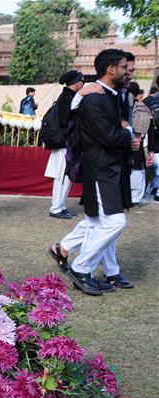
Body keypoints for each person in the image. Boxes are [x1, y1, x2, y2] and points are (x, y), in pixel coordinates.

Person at [54, 49, 137, 296]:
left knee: (98, 221)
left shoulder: (111, 95)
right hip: (100, 167)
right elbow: (108, 135)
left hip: (110, 166)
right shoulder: (94, 98)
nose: (128, 72)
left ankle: (100, 267)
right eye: (125, 68)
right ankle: (81, 268)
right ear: (111, 69)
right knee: (113, 222)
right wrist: (128, 133)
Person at [45, 70, 84, 220]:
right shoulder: (66, 98)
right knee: (61, 177)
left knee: (66, 176)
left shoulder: (70, 96)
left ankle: (61, 206)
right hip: (63, 144)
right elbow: (64, 120)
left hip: (68, 145)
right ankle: (56, 208)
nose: (83, 83)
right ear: (75, 82)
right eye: (81, 81)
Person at [128, 82, 152, 204]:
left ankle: (133, 196)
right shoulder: (144, 109)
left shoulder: (133, 107)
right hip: (139, 143)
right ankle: (135, 196)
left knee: (135, 168)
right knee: (138, 168)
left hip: (131, 142)